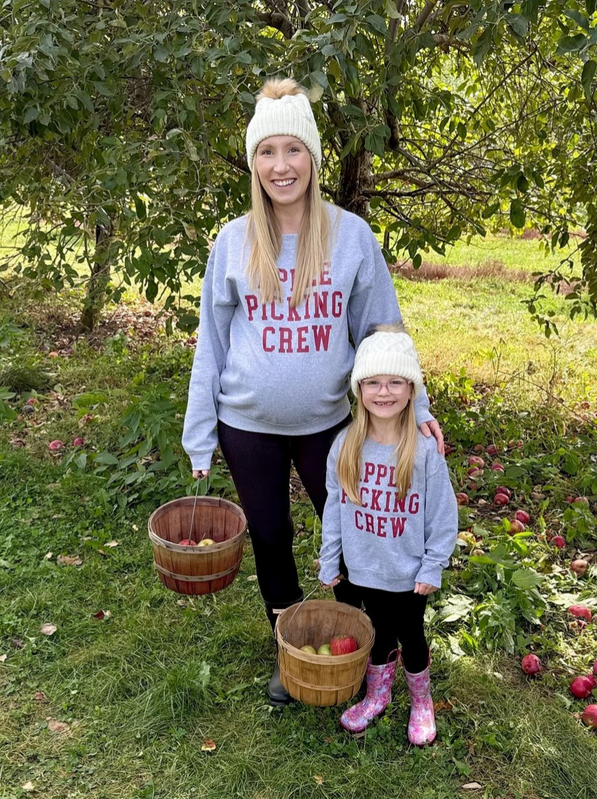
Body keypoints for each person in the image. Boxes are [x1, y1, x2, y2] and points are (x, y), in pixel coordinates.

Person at [181, 77, 443, 706]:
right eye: (266, 153)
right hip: (248, 424)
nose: (280, 166)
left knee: (352, 533)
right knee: (270, 538)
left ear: (314, 158)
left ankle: (363, 646)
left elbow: (385, 331)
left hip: (331, 423)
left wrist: (420, 407)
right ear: (253, 163)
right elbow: (211, 344)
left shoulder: (351, 236)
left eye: (292, 151)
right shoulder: (233, 241)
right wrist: (200, 434)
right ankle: (290, 645)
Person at [319, 325, 457, 746]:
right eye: (374, 382)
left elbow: (443, 516)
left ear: (411, 390)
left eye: (396, 381)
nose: (384, 392)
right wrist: (330, 558)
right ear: (358, 389)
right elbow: (333, 508)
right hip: (362, 568)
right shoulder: (345, 446)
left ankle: (421, 701)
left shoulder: (424, 452)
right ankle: (377, 695)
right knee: (376, 633)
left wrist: (433, 565)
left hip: (408, 572)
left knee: (411, 637)